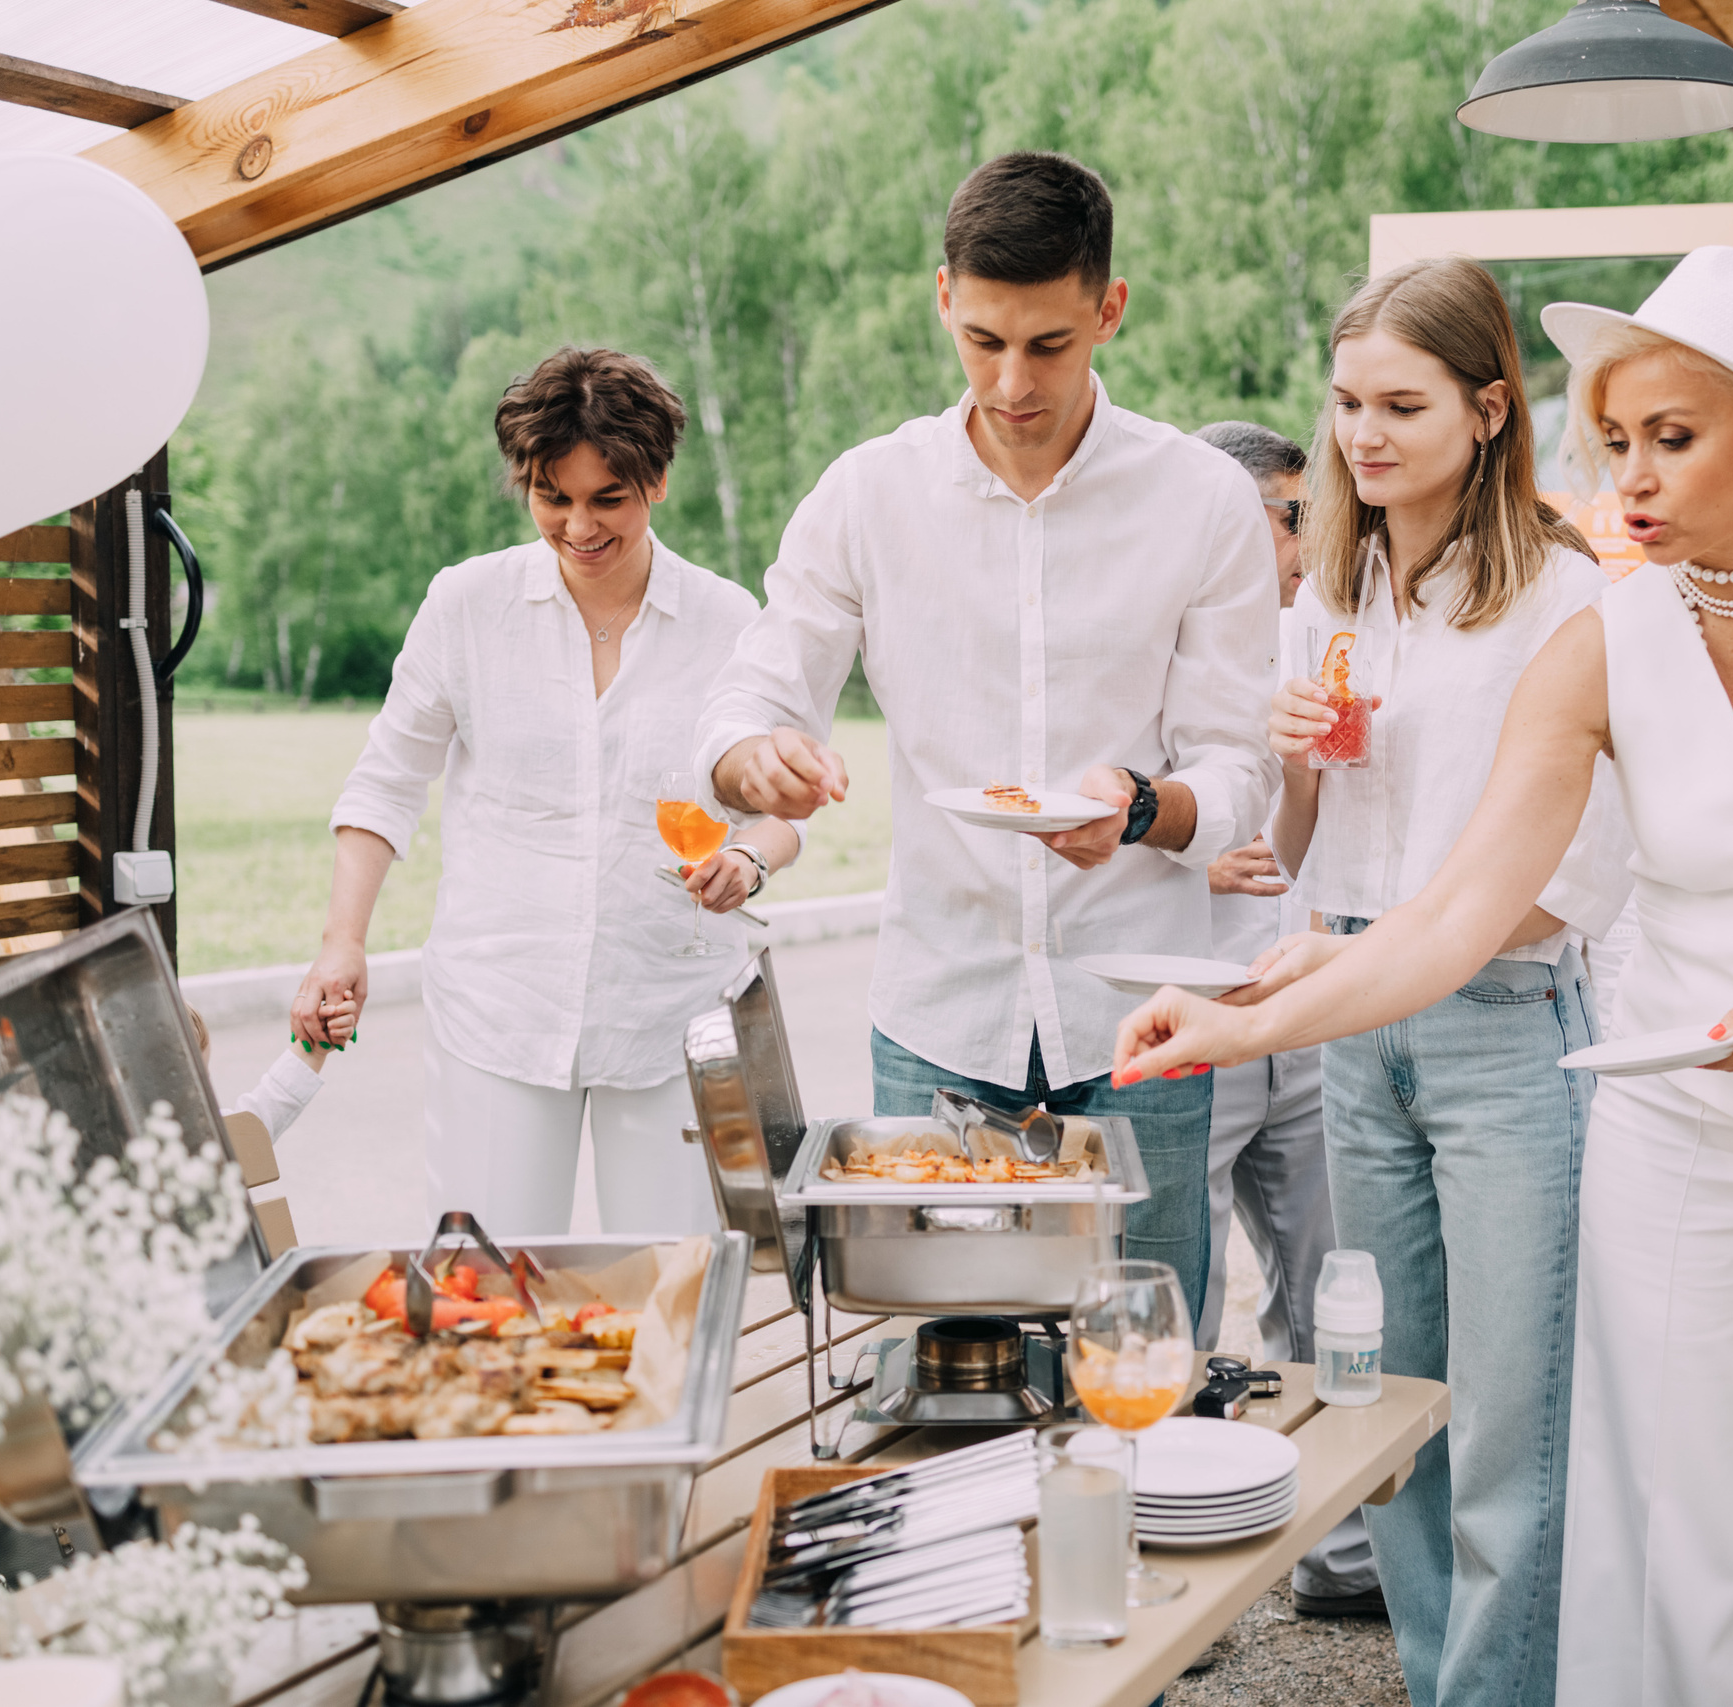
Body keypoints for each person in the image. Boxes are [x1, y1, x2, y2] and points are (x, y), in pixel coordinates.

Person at [1113, 245, 1733, 1705]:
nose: (1629, 477)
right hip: (1676, 1108)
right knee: (1663, 1513)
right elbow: (1449, 916)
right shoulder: (1603, 645)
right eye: (1614, 439)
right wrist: (1237, 1018)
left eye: (1672, 437)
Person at [695, 152, 1276, 1315]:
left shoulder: (1202, 499)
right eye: (982, 339)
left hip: (1141, 1018)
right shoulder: (868, 494)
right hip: (939, 1009)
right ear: (942, 298)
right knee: (938, 1350)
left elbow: (1239, 771)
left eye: (1048, 344)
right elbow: (748, 697)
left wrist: (1141, 810)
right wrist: (752, 758)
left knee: (1143, 1356)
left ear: (1109, 309)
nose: (1012, 382)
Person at [1243, 259, 1630, 1704]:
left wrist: (1370, 954)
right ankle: (1438, 1679)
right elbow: (1293, 850)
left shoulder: (1564, 600)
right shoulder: (1330, 590)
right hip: (1357, 1036)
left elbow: (1570, 873)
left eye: (1401, 405)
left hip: (1503, 1025)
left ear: (1489, 409)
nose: (1364, 434)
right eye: (1347, 402)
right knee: (1390, 1410)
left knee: (1513, 1428)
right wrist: (1290, 760)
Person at [295, 346, 799, 1236]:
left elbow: (778, 813)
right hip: (500, 1009)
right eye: (551, 496)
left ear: (658, 481)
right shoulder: (466, 605)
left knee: (670, 1288)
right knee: (488, 1282)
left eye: (609, 498)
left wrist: (749, 861)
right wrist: (343, 942)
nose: (578, 526)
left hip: (670, 1014)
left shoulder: (727, 620)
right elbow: (385, 782)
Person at [1189, 418, 1380, 1620]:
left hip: (1306, 1006)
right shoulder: (1156, 642)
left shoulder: (1325, 636)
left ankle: (1343, 1556)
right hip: (1191, 1015)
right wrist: (1184, 851)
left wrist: (1303, 786)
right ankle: (1179, 1577)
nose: (1311, 539)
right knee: (1180, 1297)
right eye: (1291, 516)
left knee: (1327, 1285)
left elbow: (1306, 836)